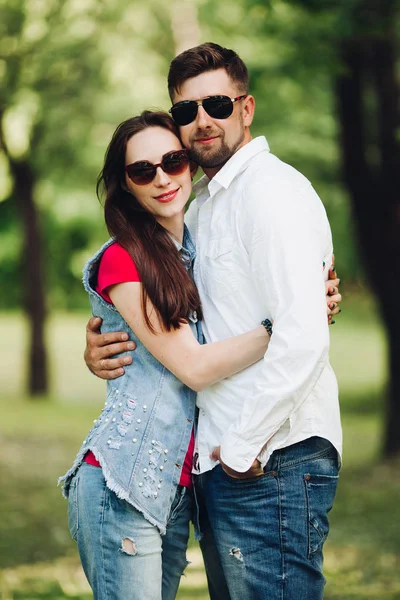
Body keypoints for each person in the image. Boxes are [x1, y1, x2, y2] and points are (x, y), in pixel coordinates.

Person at [84, 43, 343, 600]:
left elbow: (300, 337)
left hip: (270, 456)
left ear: (246, 109)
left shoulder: (271, 194)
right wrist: (105, 342)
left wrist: (245, 447)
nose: (202, 122)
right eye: (186, 111)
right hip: (212, 467)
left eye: (218, 105)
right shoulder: (198, 210)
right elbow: (187, 335)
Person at [59, 110, 276, 600]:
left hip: (177, 492)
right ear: (126, 186)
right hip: (122, 483)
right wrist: (283, 324)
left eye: (173, 161)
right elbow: (195, 367)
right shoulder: (124, 257)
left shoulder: (194, 248)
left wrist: (307, 292)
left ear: (190, 166)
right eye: (142, 171)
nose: (162, 178)